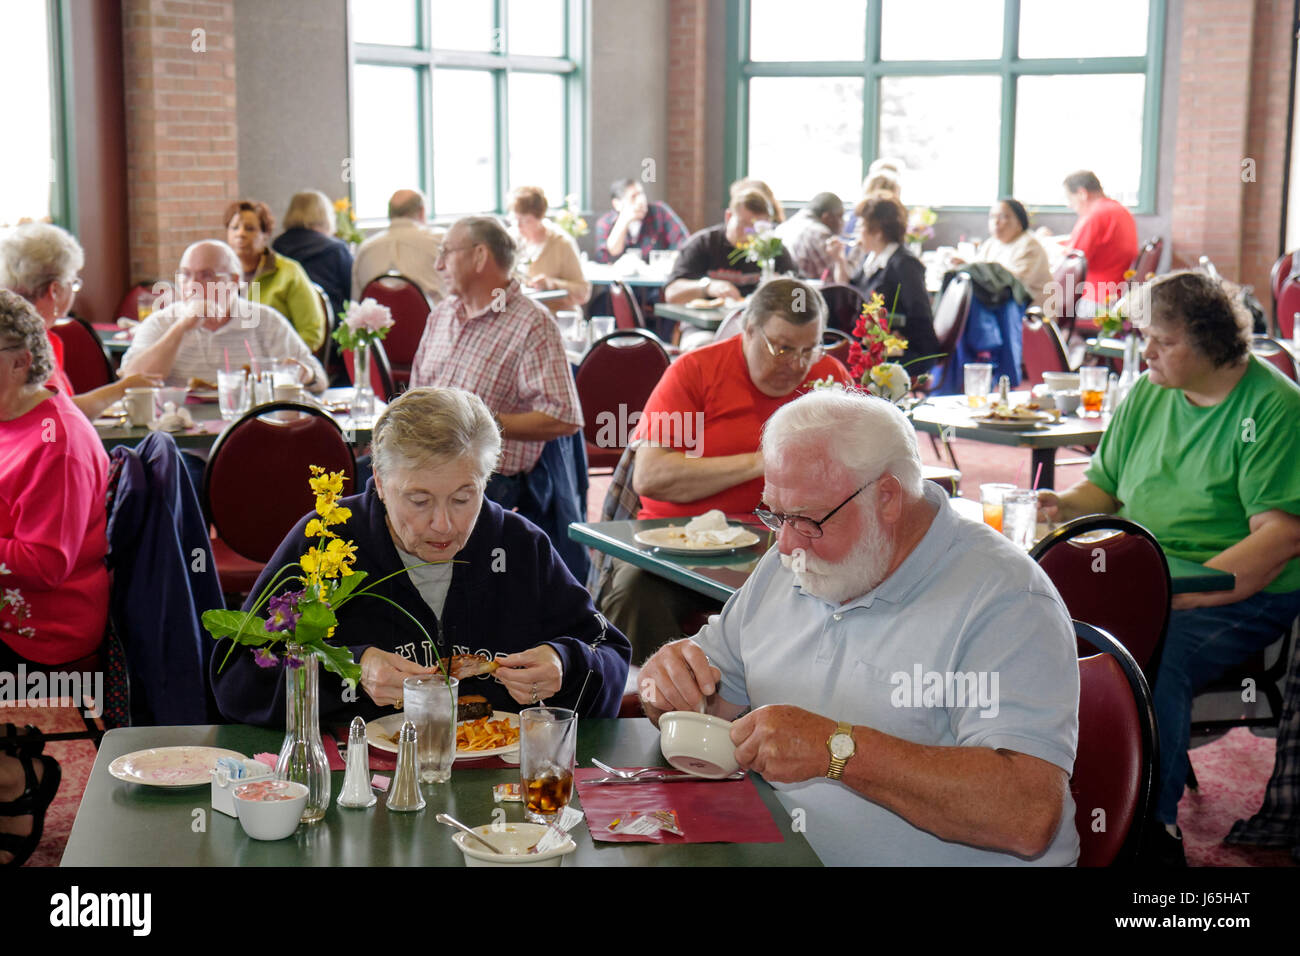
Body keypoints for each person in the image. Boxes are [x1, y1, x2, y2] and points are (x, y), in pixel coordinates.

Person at [638, 388, 1081, 866]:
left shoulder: (1005, 598)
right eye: (775, 515)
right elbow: (715, 702)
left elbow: (1028, 814)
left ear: (887, 497)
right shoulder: (792, 562)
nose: (786, 545)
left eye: (806, 519)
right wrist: (669, 685)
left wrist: (837, 750)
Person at [1037, 271, 1300, 866]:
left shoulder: (1274, 408)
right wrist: (1062, 506)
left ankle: (1148, 828)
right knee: (1045, 624)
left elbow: (1280, 539)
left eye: (1162, 340)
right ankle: (1065, 790)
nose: (1145, 351)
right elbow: (1103, 487)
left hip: (1241, 592)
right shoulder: (1151, 393)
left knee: (1159, 647)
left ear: (1209, 343)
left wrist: (1180, 596)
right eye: (1144, 337)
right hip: (1151, 576)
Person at [210, 386, 631, 726]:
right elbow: (235, 677)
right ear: (379, 482)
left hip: (496, 792)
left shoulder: (518, 545)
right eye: (419, 500)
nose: (444, 524)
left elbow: (609, 653)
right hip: (358, 794)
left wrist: (565, 662)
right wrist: (349, 669)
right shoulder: (324, 542)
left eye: (464, 498)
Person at [598, 279, 851, 661]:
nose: (796, 365)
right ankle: (649, 709)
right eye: (782, 348)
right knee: (633, 592)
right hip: (679, 546)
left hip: (785, 549)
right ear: (748, 330)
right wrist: (762, 462)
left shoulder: (827, 378)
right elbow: (652, 477)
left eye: (808, 350)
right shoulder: (696, 372)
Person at [410, 217, 584, 555]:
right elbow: (418, 394)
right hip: (426, 463)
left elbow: (563, 417)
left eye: (446, 252)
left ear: (479, 257)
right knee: (356, 487)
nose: (438, 264)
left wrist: (473, 422)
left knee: (390, 508)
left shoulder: (531, 323)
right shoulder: (443, 313)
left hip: (488, 478)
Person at [120, 240, 327, 393]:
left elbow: (319, 380)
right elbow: (130, 381)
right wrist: (181, 327)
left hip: (251, 434)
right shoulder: (161, 323)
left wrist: (305, 374)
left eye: (206, 275)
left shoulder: (265, 321)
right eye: (186, 274)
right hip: (179, 441)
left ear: (233, 282)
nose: (192, 285)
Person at [0, 222, 160, 418]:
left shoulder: (13, 332)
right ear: (55, 290)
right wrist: (124, 387)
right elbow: (55, 414)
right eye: (73, 283)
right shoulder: (29, 343)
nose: (74, 290)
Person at [850, 195, 940, 374]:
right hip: (876, 343)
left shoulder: (904, 264)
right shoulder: (872, 258)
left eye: (860, 227)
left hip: (906, 350)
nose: (856, 233)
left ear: (878, 232)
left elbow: (920, 316)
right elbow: (853, 292)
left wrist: (893, 337)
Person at [224, 199, 327, 352]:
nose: (240, 234)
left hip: (278, 362)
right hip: (230, 362)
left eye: (250, 229)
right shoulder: (218, 274)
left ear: (265, 235)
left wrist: (281, 360)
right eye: (234, 228)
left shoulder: (289, 272)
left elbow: (311, 333)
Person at [663, 189, 796, 306]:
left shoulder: (773, 250)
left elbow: (798, 292)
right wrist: (707, 287)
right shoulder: (703, 244)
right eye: (744, 224)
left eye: (757, 228)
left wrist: (783, 287)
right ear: (728, 217)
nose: (749, 233)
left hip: (757, 326)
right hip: (704, 328)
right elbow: (671, 294)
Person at [1053, 170, 1138, 314]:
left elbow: (1072, 262)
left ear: (1082, 193)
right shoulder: (1118, 210)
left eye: (1070, 198)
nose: (1069, 205)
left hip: (1095, 299)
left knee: (1038, 302)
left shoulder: (1094, 215)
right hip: (1116, 293)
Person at [351, 188, 446, 305]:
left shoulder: (365, 249)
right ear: (422, 211)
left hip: (380, 323)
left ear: (390, 214)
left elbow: (356, 302)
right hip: (430, 321)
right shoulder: (441, 242)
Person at [952, 198, 1053, 307]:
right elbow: (980, 268)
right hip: (1003, 306)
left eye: (1003, 217)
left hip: (1031, 312)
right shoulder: (992, 243)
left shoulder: (1029, 246)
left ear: (1019, 222)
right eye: (992, 217)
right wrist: (965, 265)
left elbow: (1012, 285)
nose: (995, 222)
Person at [272, 190, 355, 321]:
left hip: (289, 324)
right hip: (331, 326)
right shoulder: (336, 250)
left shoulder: (276, 248)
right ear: (325, 214)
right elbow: (353, 294)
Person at [507, 186, 591, 313]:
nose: (518, 226)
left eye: (525, 221)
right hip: (522, 317)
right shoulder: (511, 239)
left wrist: (552, 284)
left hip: (556, 317)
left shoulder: (561, 243)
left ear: (540, 217)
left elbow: (583, 292)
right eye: (514, 219)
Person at [594, 178, 689, 263]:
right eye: (633, 197)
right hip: (618, 281)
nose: (641, 201)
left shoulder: (659, 212)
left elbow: (684, 243)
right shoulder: (605, 222)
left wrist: (667, 259)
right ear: (617, 204)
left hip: (656, 279)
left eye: (641, 194)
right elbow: (604, 258)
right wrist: (624, 221)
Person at [774, 192, 849, 282]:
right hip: (806, 292)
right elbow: (838, 281)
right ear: (827, 217)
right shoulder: (819, 233)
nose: (843, 222)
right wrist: (859, 250)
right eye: (840, 216)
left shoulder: (783, 227)